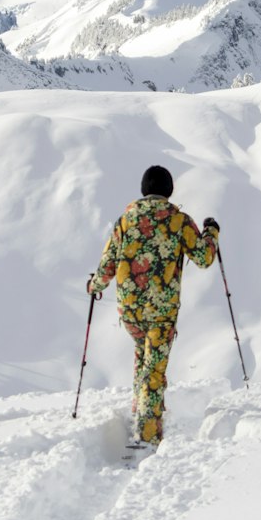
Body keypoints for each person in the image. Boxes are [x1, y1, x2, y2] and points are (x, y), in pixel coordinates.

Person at [87, 164, 220, 449]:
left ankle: (140, 407)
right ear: (169, 192)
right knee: (154, 370)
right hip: (161, 310)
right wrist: (212, 232)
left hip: (130, 309)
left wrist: (94, 286)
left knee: (142, 353)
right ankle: (147, 436)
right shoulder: (179, 221)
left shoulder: (124, 221)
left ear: (143, 191)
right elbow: (204, 257)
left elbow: (107, 263)